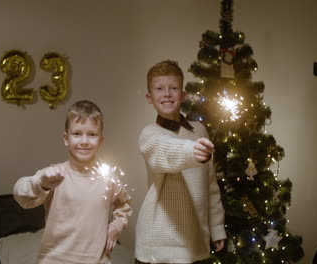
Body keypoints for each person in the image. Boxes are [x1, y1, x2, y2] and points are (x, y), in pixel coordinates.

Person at [14, 100, 132, 264]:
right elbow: (21, 194)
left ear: (100, 141)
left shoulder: (108, 177)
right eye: (77, 134)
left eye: (92, 134)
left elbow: (124, 204)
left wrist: (116, 226)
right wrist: (40, 183)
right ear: (66, 138)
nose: (84, 141)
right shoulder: (53, 176)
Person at [134, 60, 227, 264]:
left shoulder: (199, 131)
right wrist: (192, 150)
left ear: (183, 95)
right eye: (159, 89)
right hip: (158, 248)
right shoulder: (150, 134)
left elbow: (210, 185)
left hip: (195, 243)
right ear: (150, 98)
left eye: (173, 88)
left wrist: (217, 227)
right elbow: (165, 151)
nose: (167, 94)